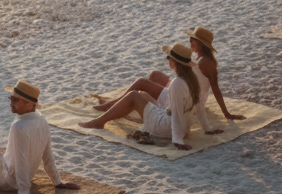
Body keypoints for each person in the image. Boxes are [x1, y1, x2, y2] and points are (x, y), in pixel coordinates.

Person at [79, 44, 221, 150]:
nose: (167, 60)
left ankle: (99, 122)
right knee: (143, 95)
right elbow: (199, 107)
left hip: (167, 127)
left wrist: (177, 140)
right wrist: (207, 129)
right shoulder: (192, 80)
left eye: (168, 58)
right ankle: (108, 113)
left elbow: (176, 113)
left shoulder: (177, 83)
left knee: (134, 96)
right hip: (181, 126)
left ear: (174, 62)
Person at [91, 27, 245, 123]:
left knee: (141, 83)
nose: (190, 42)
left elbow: (215, 88)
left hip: (181, 96)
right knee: (155, 75)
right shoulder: (201, 59)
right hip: (182, 89)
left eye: (194, 40)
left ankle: (111, 105)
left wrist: (227, 113)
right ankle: (118, 103)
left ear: (202, 44)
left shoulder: (205, 62)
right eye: (191, 39)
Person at [0, 80, 79, 194]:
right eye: (10, 98)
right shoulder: (42, 120)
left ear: (29, 104)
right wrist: (57, 181)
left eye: (14, 99)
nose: (10, 103)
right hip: (19, 176)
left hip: (6, 180)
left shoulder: (18, 127)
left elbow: (22, 162)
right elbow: (48, 154)